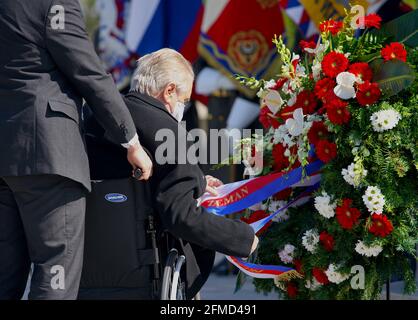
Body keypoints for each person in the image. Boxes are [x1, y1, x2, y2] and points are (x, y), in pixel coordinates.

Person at [0, 0, 153, 300]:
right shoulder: (53, 4)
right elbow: (88, 73)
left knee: (4, 278)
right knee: (54, 271)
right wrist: (131, 140)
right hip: (46, 153)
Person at [84, 48, 259, 299]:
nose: (182, 107)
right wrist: (242, 238)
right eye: (184, 100)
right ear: (169, 91)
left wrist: (195, 181)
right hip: (147, 275)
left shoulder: (96, 118)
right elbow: (181, 215)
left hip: (88, 270)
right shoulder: (169, 132)